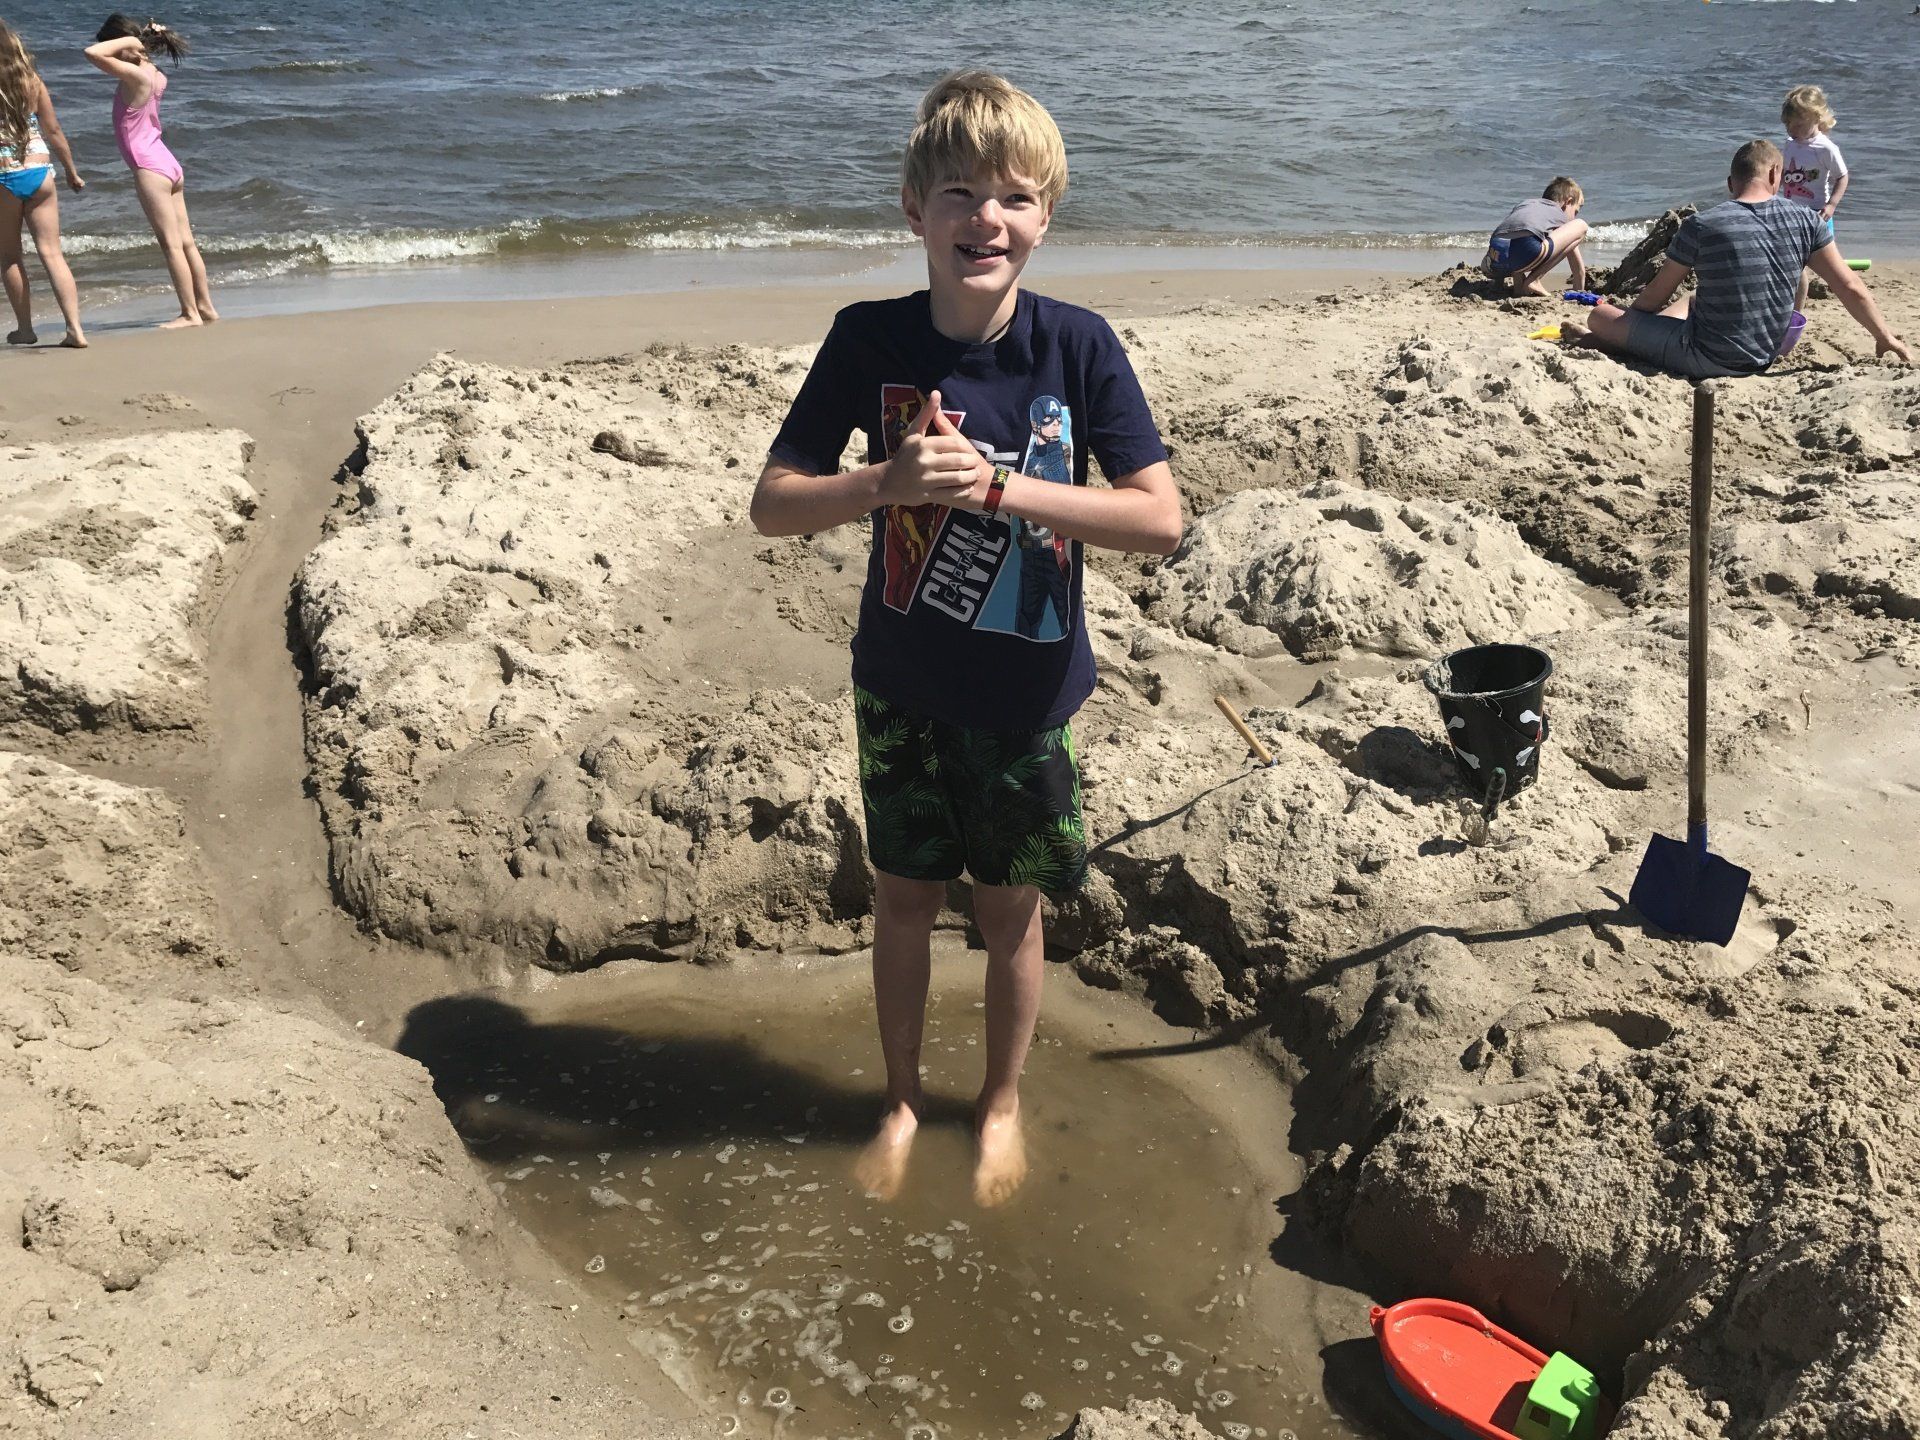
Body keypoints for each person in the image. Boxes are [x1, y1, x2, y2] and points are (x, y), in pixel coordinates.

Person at [752, 71, 1181, 1209]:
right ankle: (901, 1099)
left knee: (1010, 912)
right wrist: (883, 482)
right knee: (902, 898)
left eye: (1013, 196)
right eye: (958, 192)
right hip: (900, 682)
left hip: (1028, 695)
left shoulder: (1075, 348)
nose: (984, 217)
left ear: (1044, 218)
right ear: (913, 210)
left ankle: (998, 1103)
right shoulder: (866, 339)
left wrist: (1005, 492)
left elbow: (1159, 518)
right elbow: (774, 504)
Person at [1566, 140, 1908, 376]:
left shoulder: (1701, 224)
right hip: (1764, 355)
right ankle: (1626, 340)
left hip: (1708, 358)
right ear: (1775, 175)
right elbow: (1849, 286)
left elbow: (1654, 297)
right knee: (1694, 300)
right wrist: (1884, 336)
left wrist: (1627, 325)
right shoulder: (1806, 221)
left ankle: (1605, 339)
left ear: (1731, 183)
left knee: (1600, 315)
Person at [84, 13, 215, 328]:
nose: (112, 53)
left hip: (149, 166)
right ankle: (206, 307)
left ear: (126, 43)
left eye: (115, 46)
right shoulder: (153, 73)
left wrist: (131, 41)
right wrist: (135, 41)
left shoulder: (136, 76)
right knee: (186, 242)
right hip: (167, 162)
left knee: (170, 244)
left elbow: (91, 53)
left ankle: (189, 314)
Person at [0, 18, 86, 347]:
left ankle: (25, 329)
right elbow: (54, 131)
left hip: (4, 176)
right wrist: (71, 170)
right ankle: (75, 328)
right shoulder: (31, 80)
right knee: (52, 253)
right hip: (39, 173)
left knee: (9, 256)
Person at [1780, 84, 1848, 312]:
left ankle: (1847, 294)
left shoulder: (1826, 148)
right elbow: (1783, 175)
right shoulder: (1790, 144)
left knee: (1832, 269)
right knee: (1795, 267)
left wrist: (1832, 205)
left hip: (1817, 214)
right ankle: (1795, 313)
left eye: (1797, 125)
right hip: (1790, 213)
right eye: (1787, 124)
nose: (1791, 130)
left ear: (1816, 118)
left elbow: (1842, 176)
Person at [1481, 178, 1589, 297]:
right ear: (1568, 202)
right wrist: (1579, 285)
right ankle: (1534, 280)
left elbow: (1515, 233)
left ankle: (1518, 289)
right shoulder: (1558, 213)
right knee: (1581, 226)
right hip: (1524, 252)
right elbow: (1574, 258)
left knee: (1522, 236)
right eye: (1576, 211)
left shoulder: (1528, 204)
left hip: (1494, 258)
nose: (1573, 217)